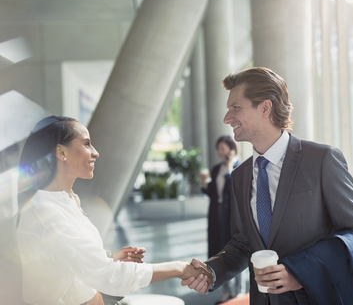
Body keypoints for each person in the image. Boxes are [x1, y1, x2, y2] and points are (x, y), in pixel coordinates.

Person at [182, 67, 353, 304]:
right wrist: (211, 271)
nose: (226, 118)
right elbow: (244, 243)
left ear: (265, 107)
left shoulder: (321, 160)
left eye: (236, 108)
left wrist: (301, 272)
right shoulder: (240, 175)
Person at [16, 115, 212, 305]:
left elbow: (67, 262)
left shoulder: (66, 200)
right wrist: (179, 268)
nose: (95, 152)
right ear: (61, 152)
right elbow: (108, 275)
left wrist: (110, 258)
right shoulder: (45, 212)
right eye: (86, 144)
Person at [199, 135, 242, 304]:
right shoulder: (216, 169)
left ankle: (238, 291)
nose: (220, 152)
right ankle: (227, 291)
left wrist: (230, 166)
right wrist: (204, 182)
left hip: (232, 216)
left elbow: (234, 188)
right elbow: (211, 192)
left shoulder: (239, 167)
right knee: (218, 250)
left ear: (232, 149)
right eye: (219, 149)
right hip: (216, 215)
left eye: (223, 148)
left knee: (235, 252)